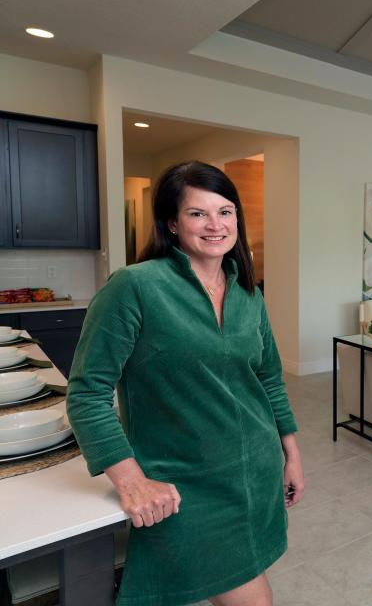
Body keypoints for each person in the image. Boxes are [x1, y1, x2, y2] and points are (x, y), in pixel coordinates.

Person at [67, 161, 304, 606]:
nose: (216, 225)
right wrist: (130, 479)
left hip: (253, 472)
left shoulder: (250, 294)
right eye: (198, 213)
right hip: (184, 481)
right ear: (172, 223)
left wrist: (290, 451)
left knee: (245, 579)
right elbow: (87, 393)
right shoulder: (134, 287)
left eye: (226, 211)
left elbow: (268, 377)